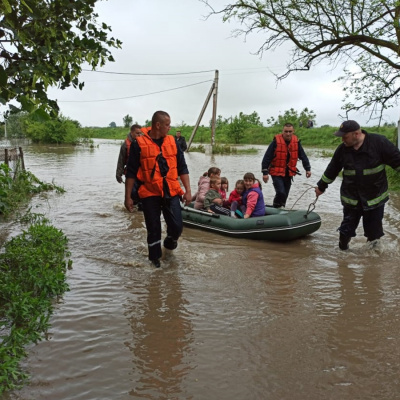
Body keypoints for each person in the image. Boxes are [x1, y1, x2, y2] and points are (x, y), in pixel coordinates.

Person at [315, 120, 400, 250]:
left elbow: (397, 161)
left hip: (374, 199)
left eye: (345, 136)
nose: (342, 139)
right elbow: (332, 169)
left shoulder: (379, 143)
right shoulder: (342, 150)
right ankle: (342, 254)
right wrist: (321, 187)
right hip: (351, 199)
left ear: (356, 134)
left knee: (374, 234)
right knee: (346, 230)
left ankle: (372, 262)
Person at [124, 111, 192, 268]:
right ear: (158, 125)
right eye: (167, 125)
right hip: (149, 192)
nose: (170, 128)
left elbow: (182, 167)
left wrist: (188, 190)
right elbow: (131, 173)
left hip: (171, 191)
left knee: (177, 227)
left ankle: (169, 243)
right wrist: (128, 197)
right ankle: (155, 263)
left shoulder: (173, 142)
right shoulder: (138, 144)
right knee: (153, 228)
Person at [261, 123, 312, 208]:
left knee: (285, 195)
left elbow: (303, 156)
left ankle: (280, 208)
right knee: (281, 192)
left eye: (290, 131)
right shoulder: (275, 142)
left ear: (293, 131)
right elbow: (267, 157)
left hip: (288, 172)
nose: (288, 134)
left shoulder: (296, 142)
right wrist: (265, 173)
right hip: (276, 171)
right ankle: (275, 207)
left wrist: (308, 169)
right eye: (286, 131)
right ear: (283, 131)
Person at [116, 124, 143, 208]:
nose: (139, 135)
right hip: (131, 174)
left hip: (142, 174)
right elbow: (121, 160)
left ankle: (140, 210)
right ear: (131, 133)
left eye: (140, 133)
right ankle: (133, 212)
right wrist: (118, 174)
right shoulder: (125, 145)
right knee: (133, 193)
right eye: (137, 133)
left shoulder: (144, 144)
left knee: (143, 194)